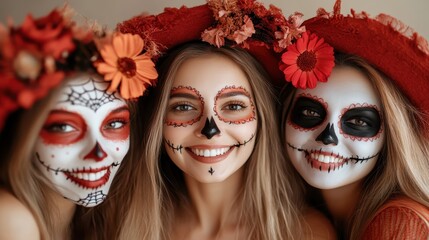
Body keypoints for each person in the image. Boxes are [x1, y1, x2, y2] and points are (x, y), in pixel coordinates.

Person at [118, 0, 335, 239]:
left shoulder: (306, 233)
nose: (210, 129)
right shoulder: (124, 226)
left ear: (261, 117)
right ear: (157, 121)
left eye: (233, 106)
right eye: (183, 106)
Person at [0, 6, 158, 240]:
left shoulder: (97, 224)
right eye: (64, 127)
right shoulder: (9, 218)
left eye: (114, 124)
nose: (98, 152)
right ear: (22, 136)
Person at [279, 0, 429, 239]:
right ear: (284, 116)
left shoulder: (401, 224)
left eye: (358, 122)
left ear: (390, 137)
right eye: (310, 113)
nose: (328, 137)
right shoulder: (306, 220)